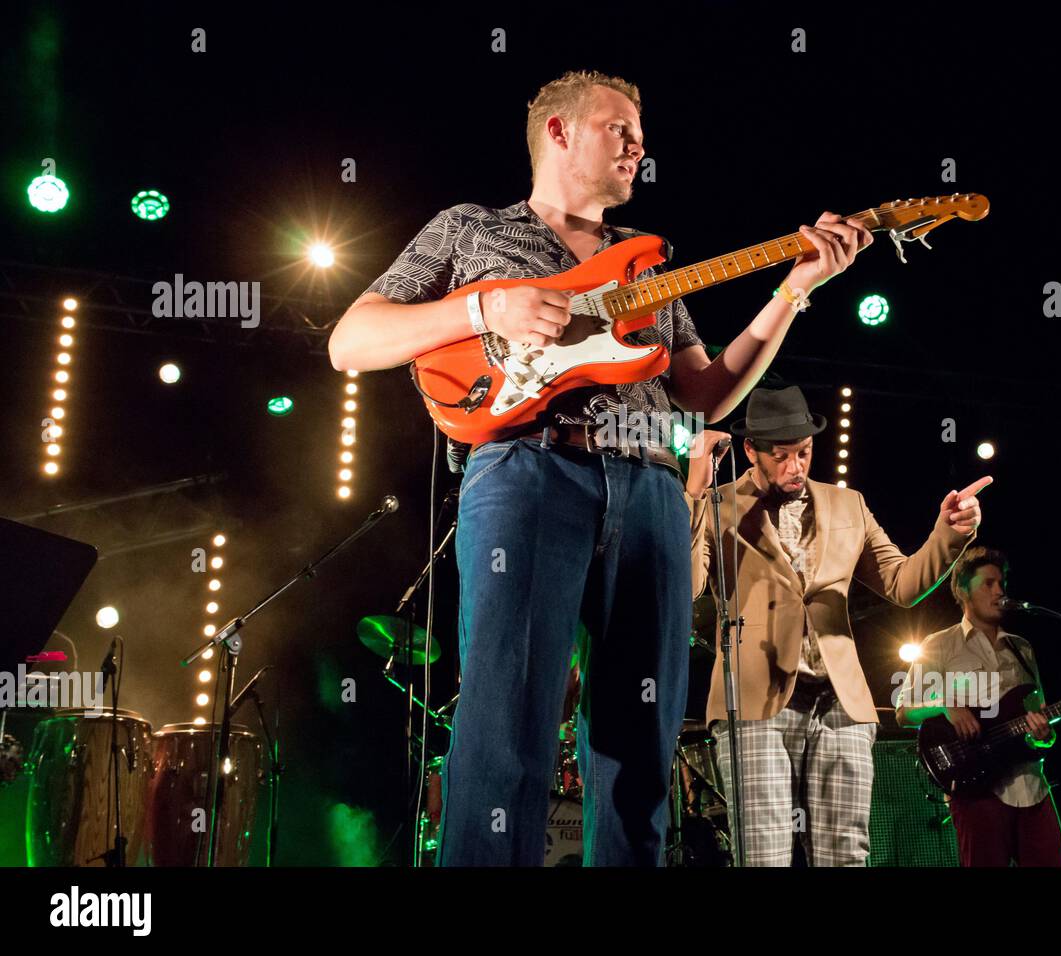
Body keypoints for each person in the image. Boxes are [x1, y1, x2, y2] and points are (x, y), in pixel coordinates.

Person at [328, 70, 872, 865]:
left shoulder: (644, 262)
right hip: (526, 471)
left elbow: (708, 393)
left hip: (651, 485)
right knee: (505, 725)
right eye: (620, 129)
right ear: (558, 131)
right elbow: (352, 340)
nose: (638, 145)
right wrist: (486, 307)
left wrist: (797, 286)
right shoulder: (471, 230)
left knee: (640, 747)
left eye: (640, 134)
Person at [686, 386, 985, 865]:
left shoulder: (848, 505)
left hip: (841, 704)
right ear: (751, 451)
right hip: (755, 703)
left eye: (803, 453)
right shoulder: (719, 504)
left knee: (845, 855)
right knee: (763, 855)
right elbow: (689, 584)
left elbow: (902, 584)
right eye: (780, 456)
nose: (795, 467)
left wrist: (949, 532)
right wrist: (694, 492)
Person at [895, 547, 1061, 866]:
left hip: (1032, 784)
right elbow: (904, 712)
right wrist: (945, 705)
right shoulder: (939, 644)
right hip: (976, 788)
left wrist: (1044, 735)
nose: (1000, 591)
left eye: (1002, 583)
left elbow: (1038, 714)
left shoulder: (1022, 648)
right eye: (988, 583)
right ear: (962, 590)